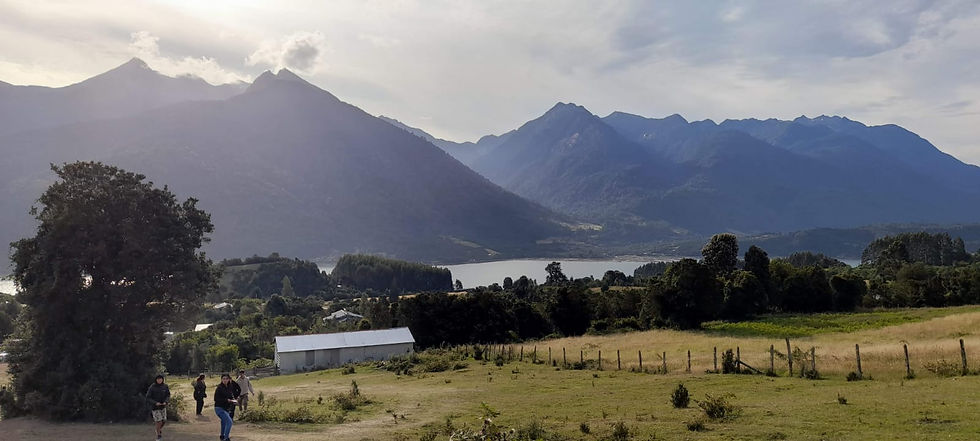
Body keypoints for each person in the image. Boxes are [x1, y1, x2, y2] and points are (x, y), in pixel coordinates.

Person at [145, 375, 170, 441]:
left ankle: (158, 429)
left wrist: (166, 401)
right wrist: (155, 403)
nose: (159, 380)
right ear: (156, 380)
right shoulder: (152, 387)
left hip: (163, 406)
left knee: (163, 421)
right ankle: (159, 436)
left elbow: (168, 395)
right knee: (158, 421)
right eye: (158, 379)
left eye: (161, 379)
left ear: (162, 380)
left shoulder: (165, 386)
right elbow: (148, 397)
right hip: (155, 407)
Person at [214, 373, 238, 441]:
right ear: (221, 380)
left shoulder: (229, 387)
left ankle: (222, 436)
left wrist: (234, 400)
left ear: (229, 379)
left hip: (226, 408)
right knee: (229, 422)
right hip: (219, 408)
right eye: (223, 379)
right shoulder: (219, 388)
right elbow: (216, 399)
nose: (225, 380)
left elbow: (231, 396)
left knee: (224, 421)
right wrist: (226, 400)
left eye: (226, 379)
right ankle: (226, 438)